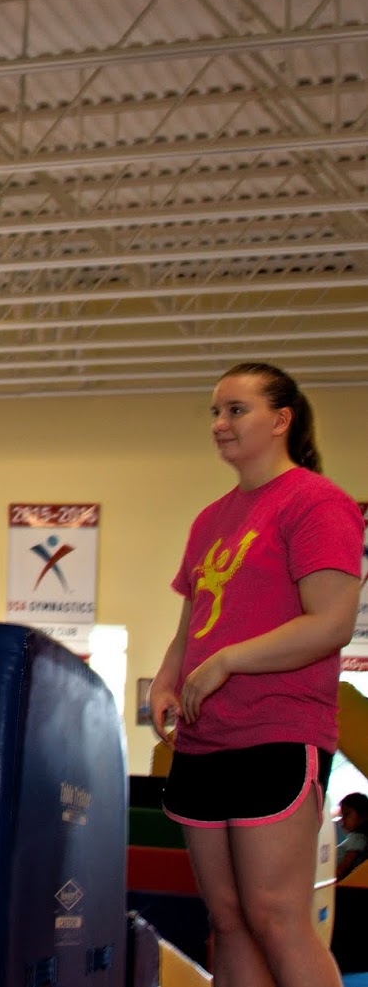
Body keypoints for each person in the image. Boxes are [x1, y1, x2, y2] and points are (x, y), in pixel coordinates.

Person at [148, 362, 362, 987]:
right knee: (230, 918)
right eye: (215, 411)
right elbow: (194, 623)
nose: (219, 424)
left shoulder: (317, 503)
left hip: (276, 727)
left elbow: (331, 623)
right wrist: (167, 679)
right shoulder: (210, 519)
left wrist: (228, 661)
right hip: (205, 736)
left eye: (236, 410)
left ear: (281, 420)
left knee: (276, 914)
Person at [338, 792, 368, 882]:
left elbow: (345, 865)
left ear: (362, 815)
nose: (342, 821)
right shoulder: (354, 837)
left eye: (347, 814)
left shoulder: (358, 838)